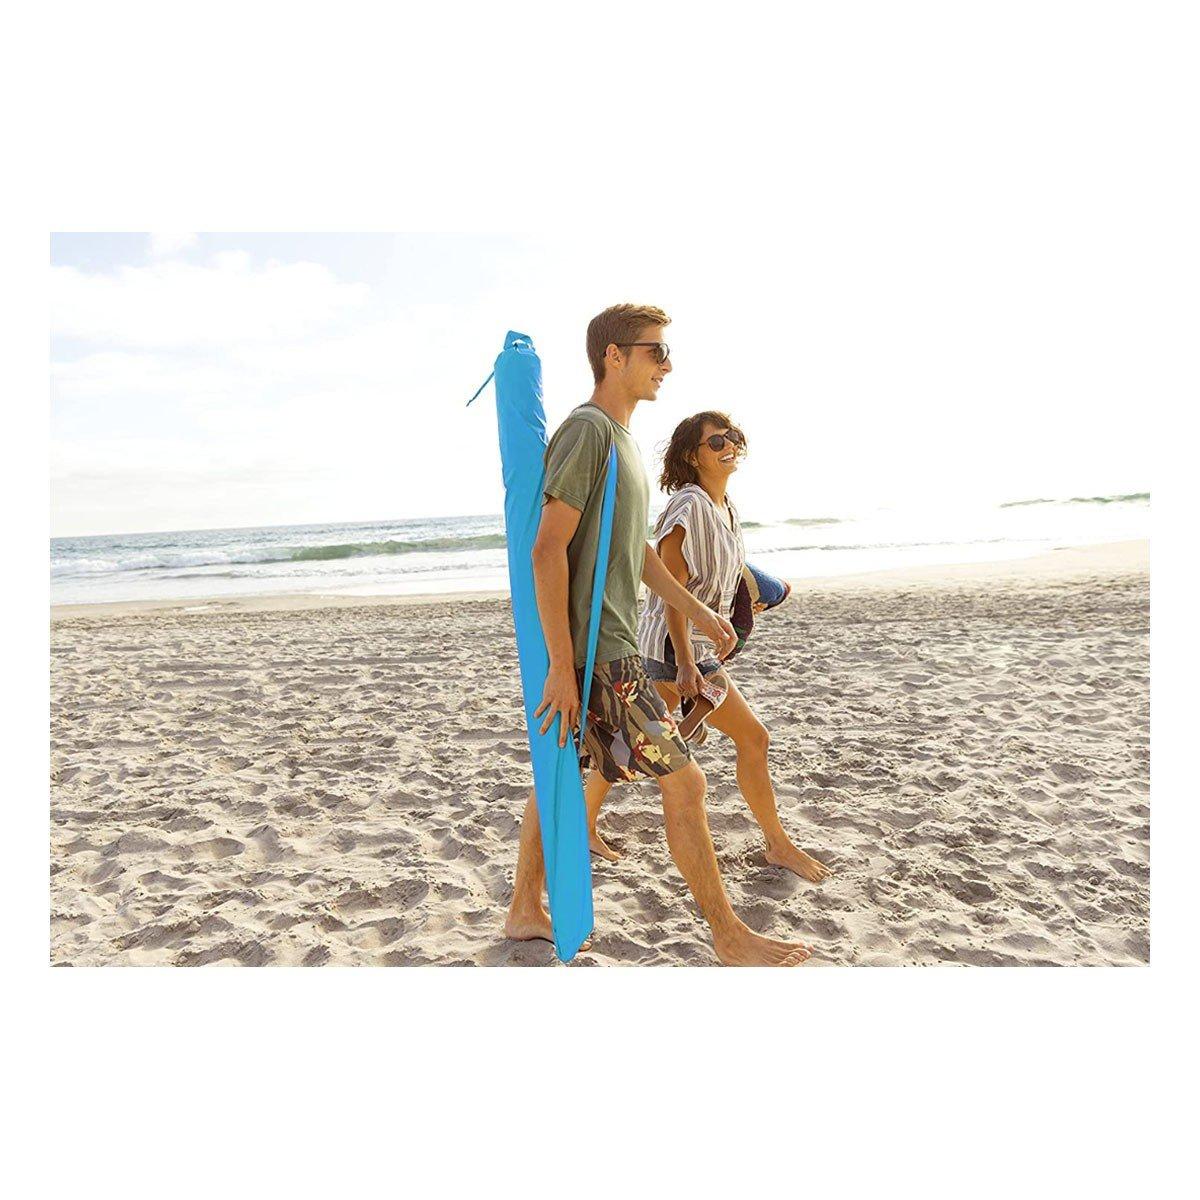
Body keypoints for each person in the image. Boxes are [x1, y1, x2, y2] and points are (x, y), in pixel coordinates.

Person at [504, 304, 812, 966]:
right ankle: (728, 935)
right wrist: (561, 664)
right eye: (656, 351)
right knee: (686, 782)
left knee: (562, 771)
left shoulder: (620, 442)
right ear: (613, 356)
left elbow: (636, 552)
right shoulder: (588, 432)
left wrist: (699, 612)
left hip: (606, 648)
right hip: (599, 654)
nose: (667, 365)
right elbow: (547, 548)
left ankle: (524, 907)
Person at [585, 413, 832, 887]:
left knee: (645, 741)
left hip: (695, 650)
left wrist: (744, 606)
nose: (729, 445)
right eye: (716, 441)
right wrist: (683, 663)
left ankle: (584, 824)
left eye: (733, 437)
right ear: (691, 456)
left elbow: (714, 581)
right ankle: (777, 844)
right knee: (726, 740)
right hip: (669, 649)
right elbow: (671, 591)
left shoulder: (725, 508)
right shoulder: (689, 506)